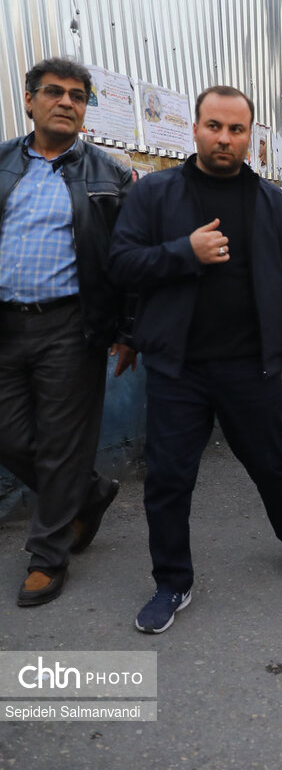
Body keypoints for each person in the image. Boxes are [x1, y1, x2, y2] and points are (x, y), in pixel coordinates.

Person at [110, 85, 282, 634]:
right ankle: (172, 582)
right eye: (214, 126)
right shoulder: (155, 194)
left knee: (271, 463)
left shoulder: (271, 201)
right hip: (178, 367)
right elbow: (122, 263)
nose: (224, 138)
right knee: (168, 478)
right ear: (195, 128)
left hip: (251, 365)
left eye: (236, 129)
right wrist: (185, 252)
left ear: (250, 136)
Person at [0, 57, 135, 606]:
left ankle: (47, 556)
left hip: (71, 326)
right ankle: (90, 491)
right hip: (5, 324)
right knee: (8, 436)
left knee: (59, 445)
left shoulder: (109, 175)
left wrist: (128, 330)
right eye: (54, 92)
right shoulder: (2, 163)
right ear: (29, 99)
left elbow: (127, 260)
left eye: (77, 96)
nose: (66, 102)